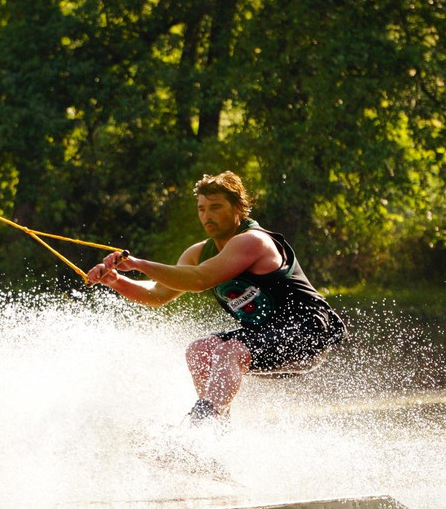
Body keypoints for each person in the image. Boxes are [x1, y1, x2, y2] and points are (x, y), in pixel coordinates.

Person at [85, 171, 346, 423]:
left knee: (230, 350)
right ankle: (215, 437)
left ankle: (203, 423)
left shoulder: (253, 241)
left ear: (238, 208)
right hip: (264, 334)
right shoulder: (198, 253)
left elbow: (199, 280)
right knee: (199, 351)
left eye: (216, 207)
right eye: (201, 209)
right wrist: (117, 281)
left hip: (307, 331)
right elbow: (157, 295)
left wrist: (139, 263)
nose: (207, 216)